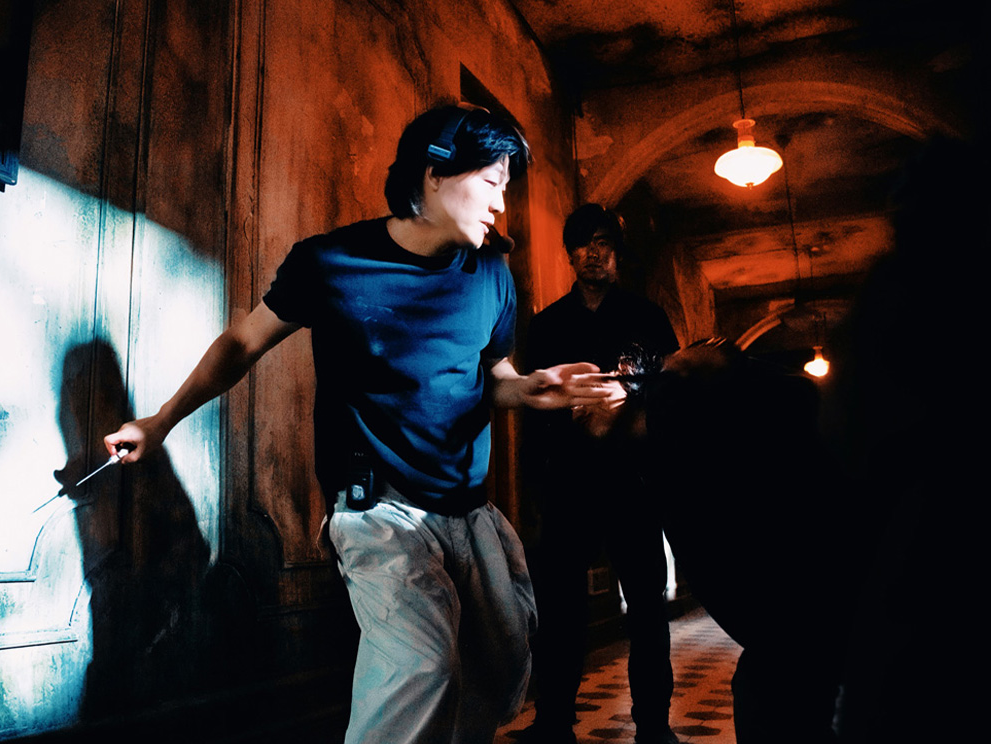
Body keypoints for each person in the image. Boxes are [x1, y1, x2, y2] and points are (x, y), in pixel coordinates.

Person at [105, 104, 613, 744]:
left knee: (501, 667)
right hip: (378, 510)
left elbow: (494, 374)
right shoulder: (331, 262)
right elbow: (242, 342)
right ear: (434, 172)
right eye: (491, 182)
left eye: (505, 187)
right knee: (421, 668)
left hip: (467, 507)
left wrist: (532, 388)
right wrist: (160, 422)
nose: (500, 205)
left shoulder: (491, 273)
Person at [521, 204, 680, 744]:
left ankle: (653, 725)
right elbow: (531, 409)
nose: (594, 253)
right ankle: (553, 722)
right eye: (584, 243)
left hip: (634, 483)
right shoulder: (546, 326)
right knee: (560, 612)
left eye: (604, 242)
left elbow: (672, 397)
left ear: (617, 253)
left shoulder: (648, 318)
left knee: (647, 608)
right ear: (570, 253)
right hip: (569, 485)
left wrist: (630, 407)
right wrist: (536, 487)